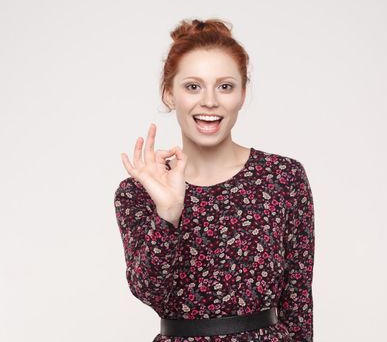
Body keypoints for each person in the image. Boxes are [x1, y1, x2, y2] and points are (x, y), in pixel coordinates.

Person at [113, 18, 315, 342]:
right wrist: (169, 212)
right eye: (193, 86)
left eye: (225, 86)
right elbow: (148, 291)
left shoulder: (283, 178)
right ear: (169, 93)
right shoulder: (138, 191)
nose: (210, 101)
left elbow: (298, 305)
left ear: (242, 94)